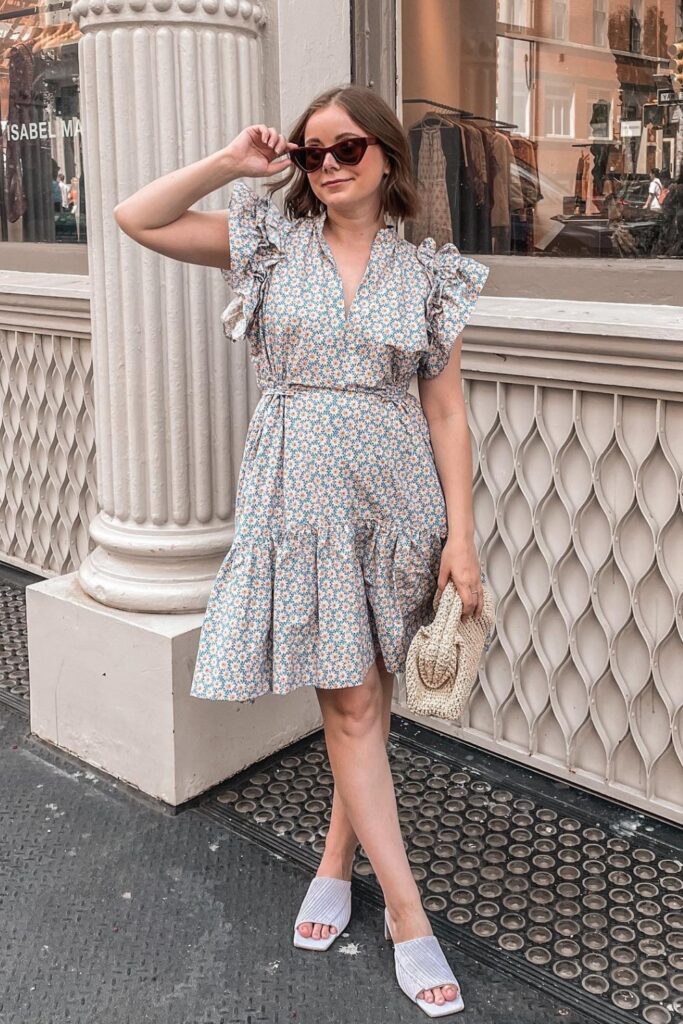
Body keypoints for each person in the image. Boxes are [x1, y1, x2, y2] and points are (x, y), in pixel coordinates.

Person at [114, 83, 488, 1017]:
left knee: (366, 691)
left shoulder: (427, 274)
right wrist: (231, 163)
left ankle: (333, 860)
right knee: (351, 699)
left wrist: (464, 539)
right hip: (301, 500)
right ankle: (407, 916)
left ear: (389, 159)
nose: (325, 166)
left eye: (346, 149)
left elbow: (445, 410)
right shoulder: (269, 243)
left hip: (399, 504)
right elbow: (137, 218)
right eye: (311, 152)